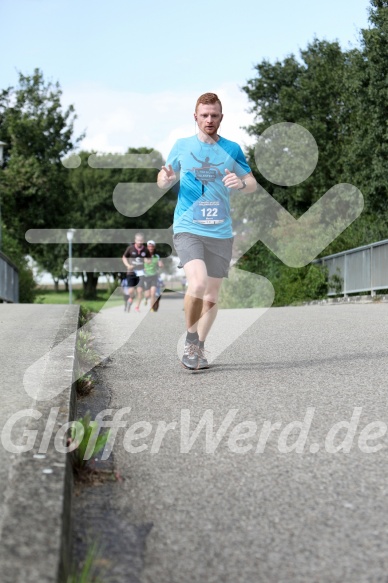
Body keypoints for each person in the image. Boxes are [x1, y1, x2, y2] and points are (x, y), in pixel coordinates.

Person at [157, 92, 257, 370]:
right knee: (197, 284)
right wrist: (164, 179)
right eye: (204, 115)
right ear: (195, 117)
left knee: (211, 296)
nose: (209, 120)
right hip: (188, 227)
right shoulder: (182, 146)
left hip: (220, 231)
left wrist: (240, 183)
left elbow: (252, 183)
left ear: (221, 117)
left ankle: (199, 346)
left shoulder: (232, 149)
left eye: (214, 115)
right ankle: (190, 339)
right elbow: (162, 179)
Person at [122, 233, 150, 312]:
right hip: (131, 272)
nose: (139, 242)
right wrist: (128, 265)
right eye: (138, 240)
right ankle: (131, 297)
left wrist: (147, 262)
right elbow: (124, 257)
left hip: (141, 272)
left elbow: (149, 260)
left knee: (140, 290)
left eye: (141, 240)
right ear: (135, 240)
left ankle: (137, 307)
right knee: (131, 291)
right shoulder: (130, 248)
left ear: (143, 241)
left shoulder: (145, 250)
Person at [144, 240, 164, 311]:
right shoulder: (144, 255)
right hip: (146, 277)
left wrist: (161, 264)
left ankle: (152, 308)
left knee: (153, 293)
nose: (151, 248)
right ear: (147, 247)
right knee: (147, 294)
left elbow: (160, 264)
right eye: (149, 246)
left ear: (154, 247)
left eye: (152, 246)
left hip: (154, 276)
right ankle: (146, 298)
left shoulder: (157, 256)